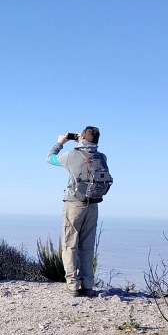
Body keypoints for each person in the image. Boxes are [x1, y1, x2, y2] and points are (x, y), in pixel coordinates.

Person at [46, 126, 109, 297]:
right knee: (87, 246)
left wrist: (61, 142)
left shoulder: (72, 155)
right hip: (93, 205)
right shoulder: (101, 157)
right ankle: (87, 284)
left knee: (69, 244)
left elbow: (50, 158)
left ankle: (73, 285)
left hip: (74, 204)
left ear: (82, 137)